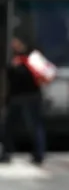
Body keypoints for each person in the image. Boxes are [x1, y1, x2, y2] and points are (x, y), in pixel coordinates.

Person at [0, 34, 47, 164]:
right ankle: (7, 153)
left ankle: (38, 154)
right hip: (20, 97)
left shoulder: (28, 59)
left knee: (33, 126)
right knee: (8, 127)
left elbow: (27, 77)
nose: (13, 45)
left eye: (15, 42)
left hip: (28, 97)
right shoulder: (17, 58)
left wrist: (15, 68)